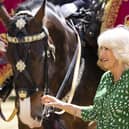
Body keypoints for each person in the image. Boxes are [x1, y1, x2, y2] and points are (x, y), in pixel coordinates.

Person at [41, 26, 129, 129]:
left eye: (107, 49)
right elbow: (94, 113)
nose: (102, 53)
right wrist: (60, 104)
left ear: (120, 51)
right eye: (101, 48)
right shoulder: (106, 78)